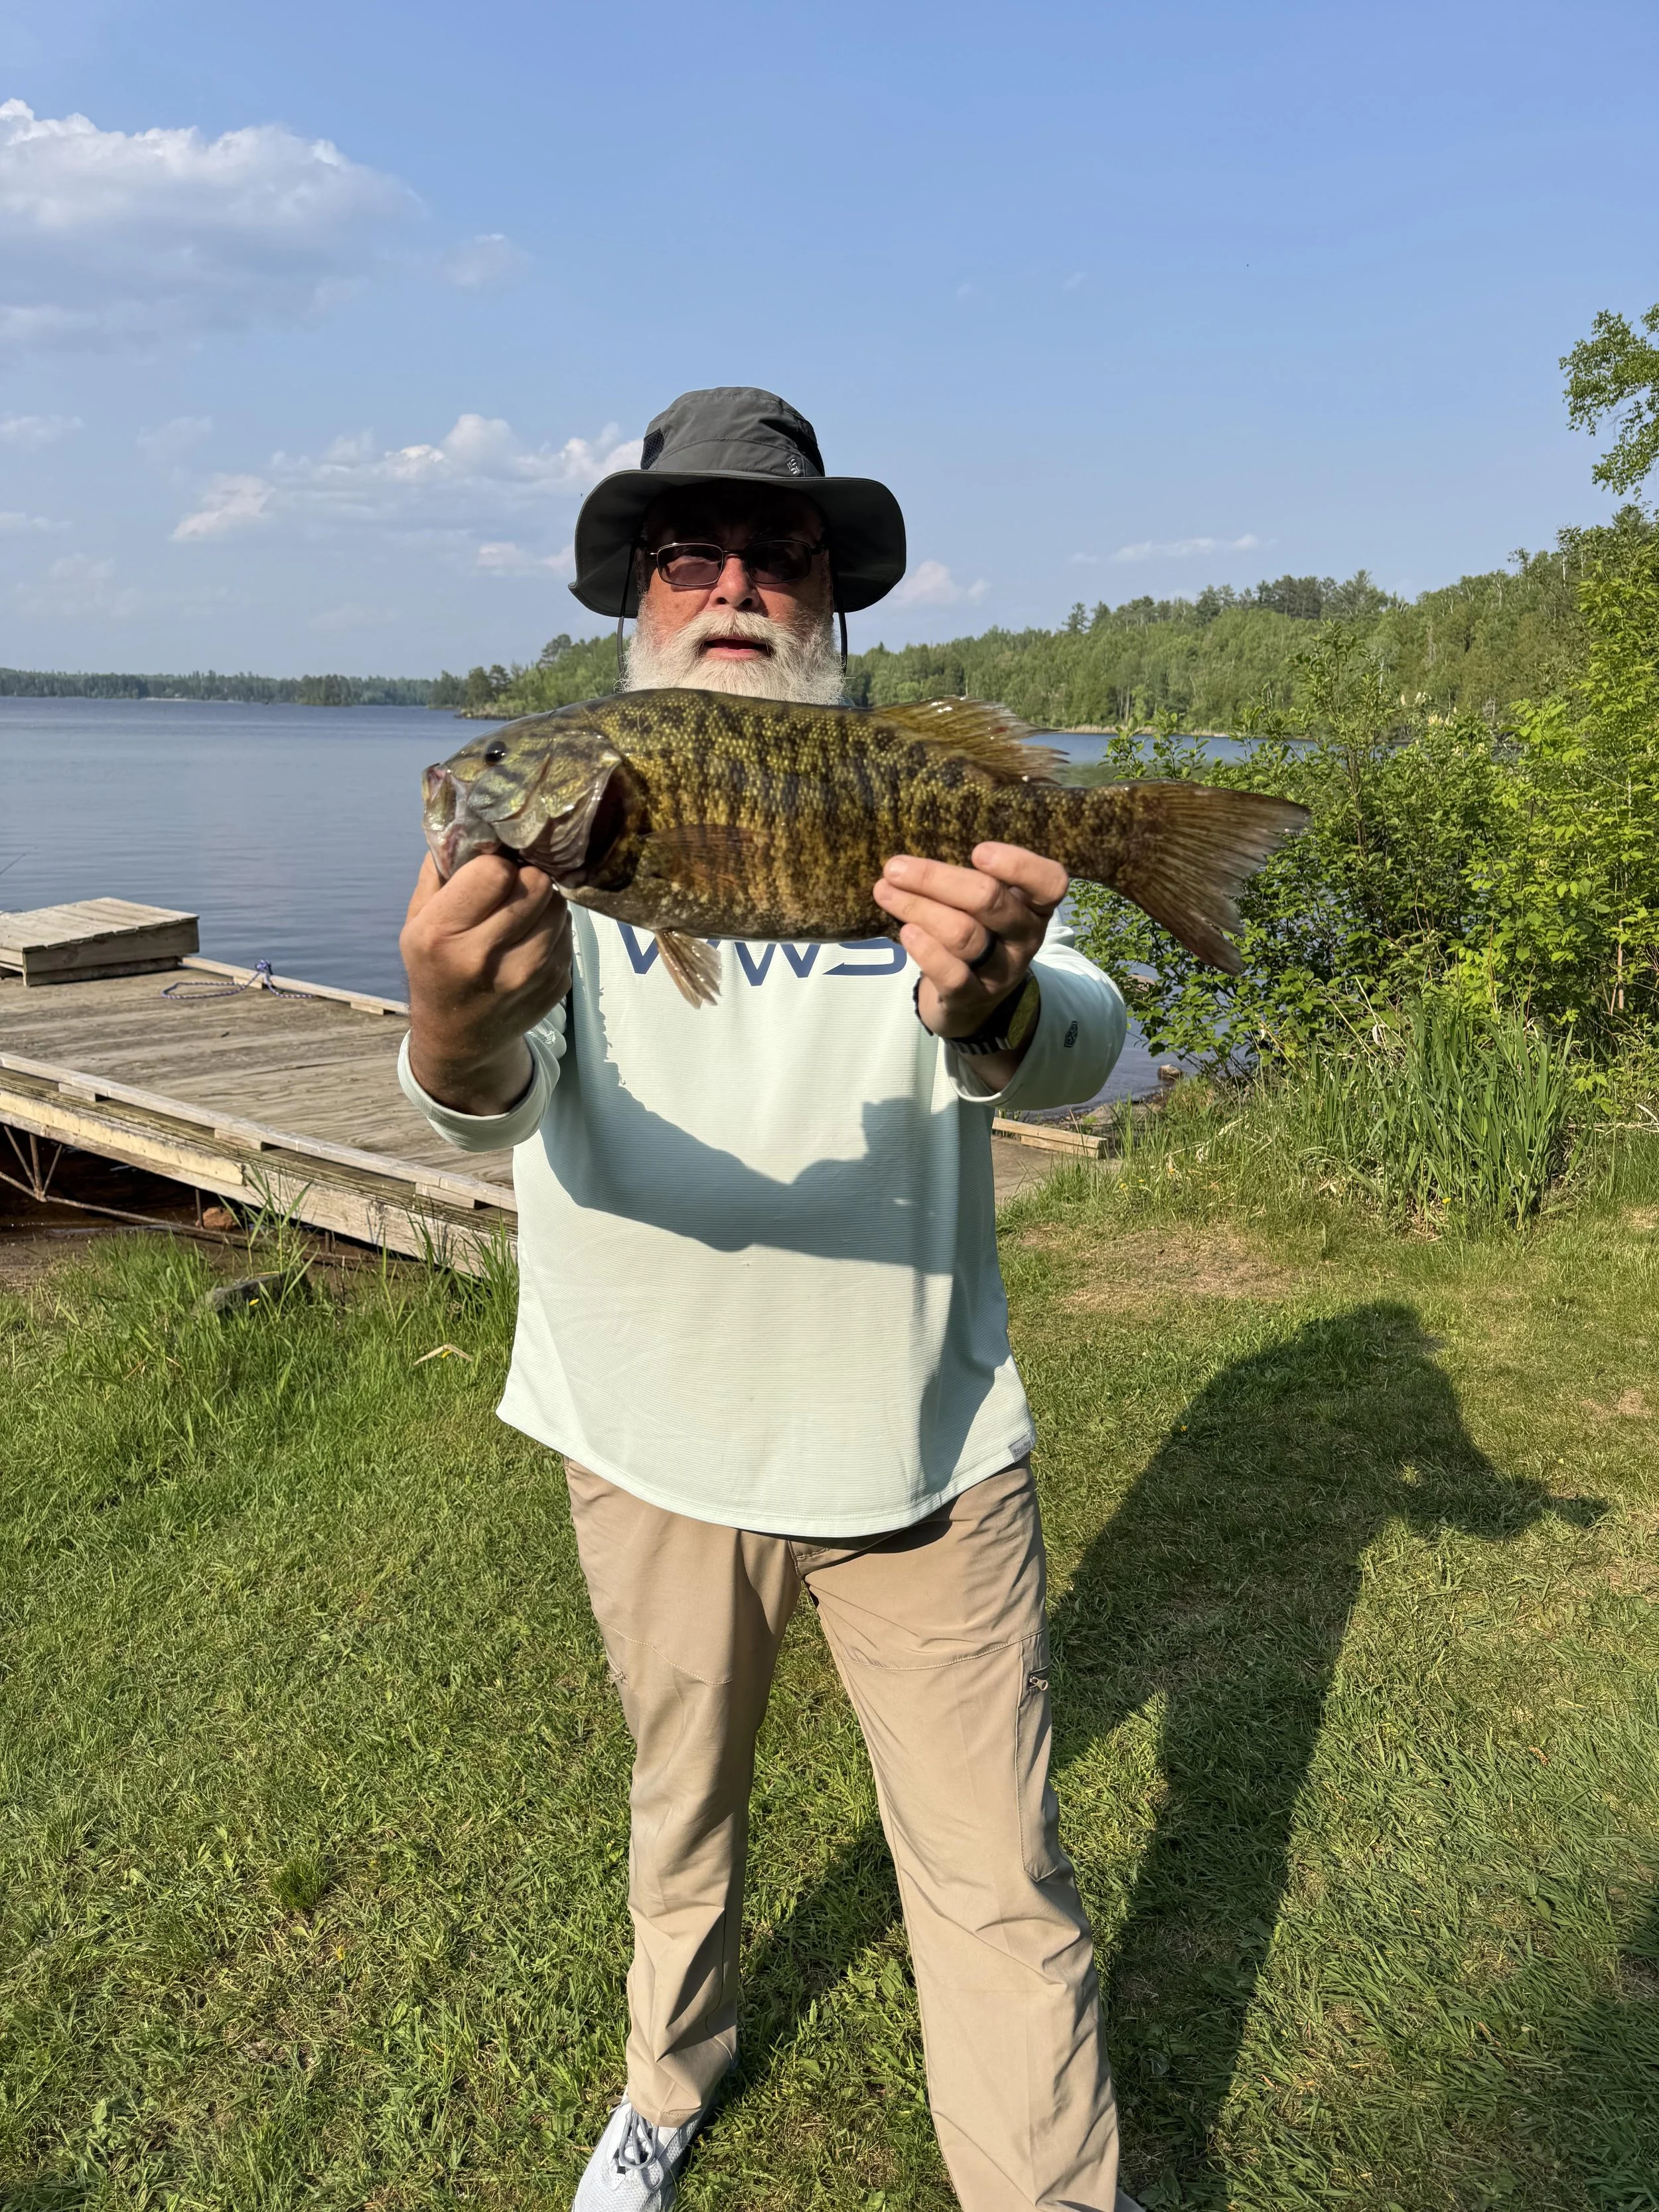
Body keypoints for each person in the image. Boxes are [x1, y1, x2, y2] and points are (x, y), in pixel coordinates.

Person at [398, 388, 1140, 2212]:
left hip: (919, 1448)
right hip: (639, 1433)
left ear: (830, 597)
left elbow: (1098, 1045)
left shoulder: (910, 784)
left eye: (778, 552)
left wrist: (992, 1002)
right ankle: (665, 2078)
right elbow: (486, 1098)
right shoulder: (568, 843)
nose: (732, 583)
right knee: (682, 1809)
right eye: (683, 554)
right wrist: (445, 1025)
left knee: (994, 1876)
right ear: (635, 606)